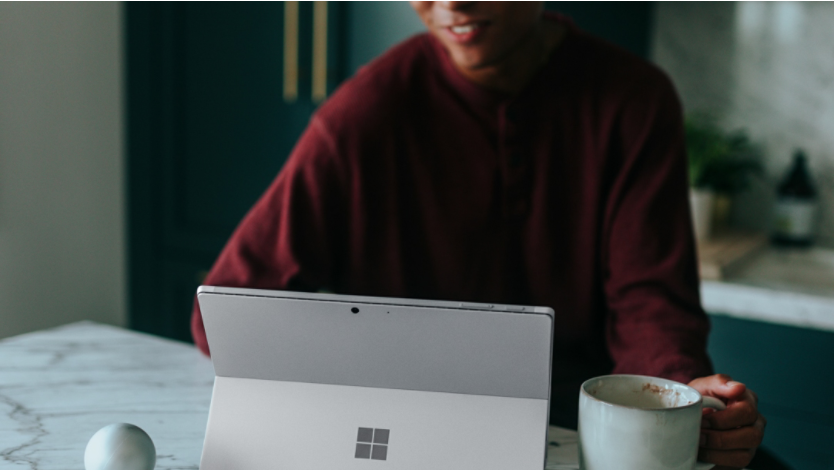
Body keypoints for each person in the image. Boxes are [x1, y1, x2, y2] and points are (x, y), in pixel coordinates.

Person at [191, 2, 767, 468]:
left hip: (583, 430)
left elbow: (650, 301)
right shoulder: (364, 114)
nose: (452, 5)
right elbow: (230, 308)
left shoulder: (632, 100)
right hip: (414, 440)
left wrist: (679, 393)